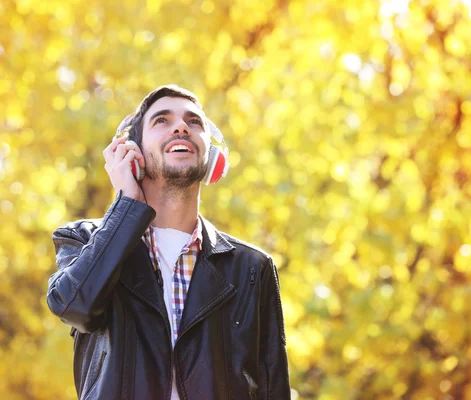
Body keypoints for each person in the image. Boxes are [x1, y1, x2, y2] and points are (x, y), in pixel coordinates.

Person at [46, 84, 290, 399]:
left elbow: (274, 388)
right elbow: (74, 305)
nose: (181, 126)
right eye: (162, 120)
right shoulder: (84, 240)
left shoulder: (253, 268)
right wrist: (127, 206)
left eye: (194, 122)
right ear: (131, 152)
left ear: (213, 157)